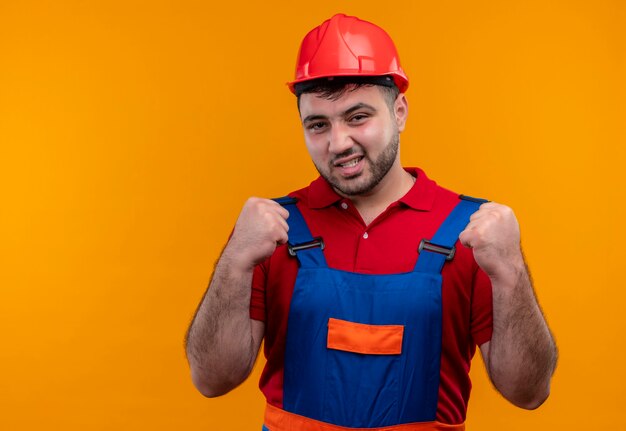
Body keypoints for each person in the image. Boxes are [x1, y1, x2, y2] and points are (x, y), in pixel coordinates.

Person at [185, 13, 557, 431]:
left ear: (399, 111)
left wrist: (511, 273)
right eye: (318, 124)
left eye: (357, 117)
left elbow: (529, 392)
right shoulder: (272, 231)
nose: (338, 142)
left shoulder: (471, 232)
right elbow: (211, 380)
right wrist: (234, 260)